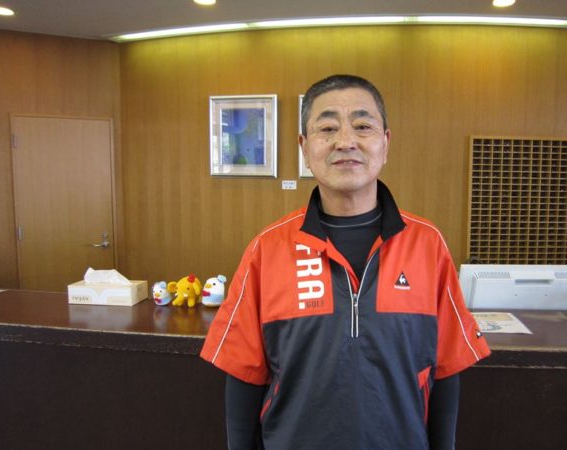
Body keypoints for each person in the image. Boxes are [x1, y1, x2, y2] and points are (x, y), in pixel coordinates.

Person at [200, 74, 490, 450]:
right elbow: (244, 374)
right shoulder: (267, 249)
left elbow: (446, 368)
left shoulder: (427, 244)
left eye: (362, 126)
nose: (345, 141)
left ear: (386, 143)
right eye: (327, 128)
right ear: (305, 148)